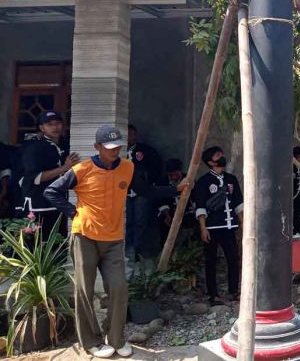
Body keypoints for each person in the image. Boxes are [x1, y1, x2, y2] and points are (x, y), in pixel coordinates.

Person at [44, 125, 188, 358]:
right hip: (85, 237)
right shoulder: (82, 169)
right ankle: (91, 341)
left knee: (119, 288)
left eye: (118, 147)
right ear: (97, 147)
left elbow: (145, 191)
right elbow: (51, 192)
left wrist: (175, 190)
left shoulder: (128, 168)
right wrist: (73, 213)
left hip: (113, 239)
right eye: (109, 148)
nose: (115, 151)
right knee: (84, 290)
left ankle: (115, 338)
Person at [193, 146, 243, 305]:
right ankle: (213, 295)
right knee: (211, 261)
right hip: (212, 228)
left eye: (221, 153)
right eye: (217, 155)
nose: (221, 156)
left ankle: (233, 291)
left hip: (229, 227)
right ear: (210, 162)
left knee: (233, 259)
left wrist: (243, 222)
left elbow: (238, 203)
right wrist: (203, 228)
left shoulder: (231, 179)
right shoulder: (204, 182)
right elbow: (200, 206)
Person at [21, 111, 80, 237]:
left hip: (59, 202)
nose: (55, 127)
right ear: (42, 127)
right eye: (50, 124)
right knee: (38, 243)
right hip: (38, 203)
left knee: (58, 241)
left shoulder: (67, 144)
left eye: (58, 123)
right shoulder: (34, 148)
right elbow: (34, 178)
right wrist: (64, 168)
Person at [125, 124, 163, 268]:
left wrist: (148, 184)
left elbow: (156, 169)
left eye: (132, 134)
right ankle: (127, 250)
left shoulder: (146, 151)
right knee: (126, 222)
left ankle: (137, 251)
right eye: (127, 134)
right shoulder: (117, 152)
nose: (130, 137)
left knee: (140, 221)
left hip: (141, 193)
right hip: (124, 192)